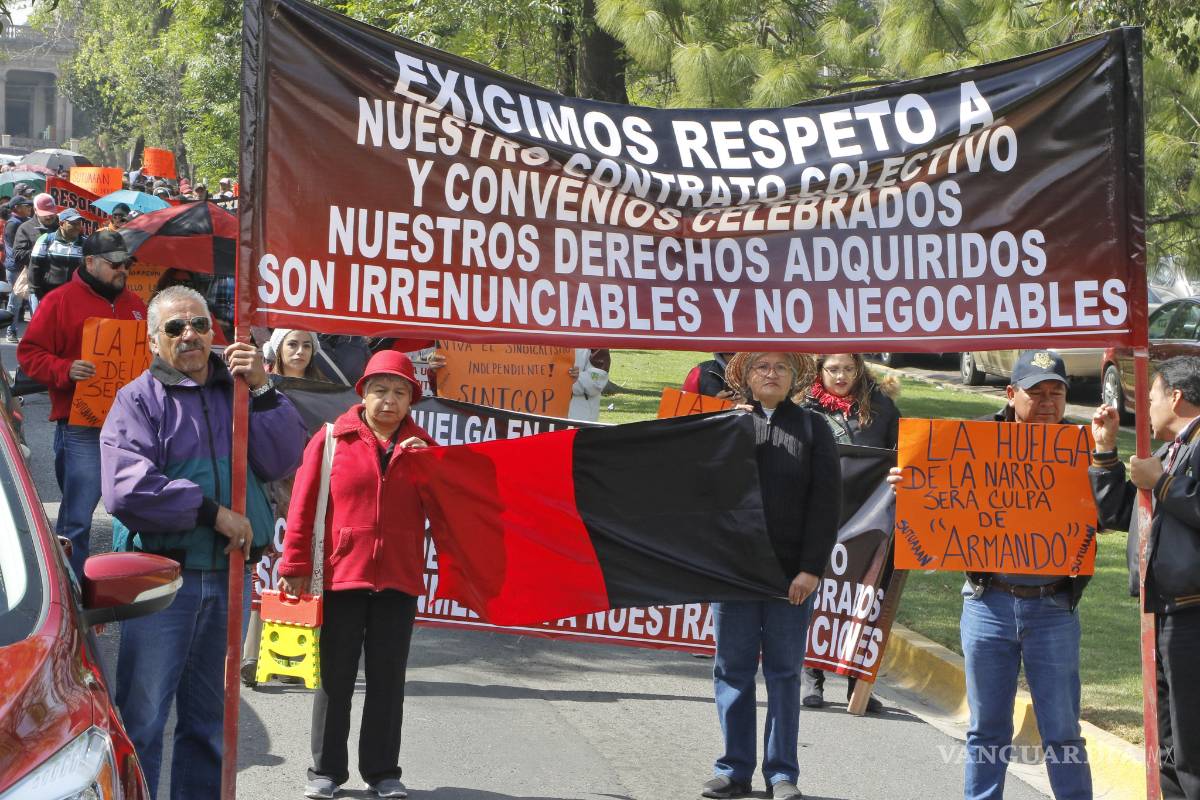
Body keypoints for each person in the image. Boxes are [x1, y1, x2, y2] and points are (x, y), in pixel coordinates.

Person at [99, 285, 306, 799]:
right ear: (153, 341)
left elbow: (282, 459)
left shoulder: (237, 390)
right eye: (174, 328)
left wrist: (262, 389)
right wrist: (211, 513)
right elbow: (125, 489)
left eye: (199, 325)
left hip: (229, 577)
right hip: (163, 583)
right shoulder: (137, 400)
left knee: (210, 721)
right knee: (143, 719)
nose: (189, 335)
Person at [888, 349, 1093, 800]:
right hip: (988, 604)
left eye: (1056, 393)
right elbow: (932, 490)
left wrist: (1110, 462)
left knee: (1062, 732)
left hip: (1054, 608)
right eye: (1035, 392)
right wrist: (910, 482)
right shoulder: (974, 439)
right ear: (1010, 393)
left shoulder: (1081, 449)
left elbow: (1110, 511)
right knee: (987, 729)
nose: (1047, 402)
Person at [277, 350, 433, 800]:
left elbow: (451, 511)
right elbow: (303, 508)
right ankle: (325, 772)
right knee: (336, 679)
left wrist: (433, 467)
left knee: (388, 680)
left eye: (400, 392)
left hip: (399, 582)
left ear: (411, 401)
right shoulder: (330, 440)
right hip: (343, 577)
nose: (389, 401)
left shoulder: (424, 451)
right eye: (380, 390)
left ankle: (383, 772)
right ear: (362, 393)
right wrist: (295, 566)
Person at [701, 352, 841, 800]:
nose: (771, 374)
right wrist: (724, 429)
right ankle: (733, 769)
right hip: (734, 572)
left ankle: (782, 774)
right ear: (745, 375)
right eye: (762, 366)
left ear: (795, 377)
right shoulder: (723, 424)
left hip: (790, 578)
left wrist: (810, 569)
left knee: (783, 673)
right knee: (733, 670)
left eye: (781, 367)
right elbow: (697, 487)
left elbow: (826, 503)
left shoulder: (813, 428)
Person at [1091, 356, 1200, 799]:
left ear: (1175, 397)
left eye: (1151, 397)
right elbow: (1121, 512)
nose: (1147, 406)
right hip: (1162, 614)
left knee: (1193, 748)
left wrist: (1166, 484)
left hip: (1193, 617)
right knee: (1167, 749)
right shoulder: (1168, 452)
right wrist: (1104, 452)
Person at [16, 230, 148, 580]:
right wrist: (65, 369)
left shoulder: (136, 305)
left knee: (136, 510)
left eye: (127, 264)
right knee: (77, 518)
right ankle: (73, 591)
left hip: (131, 429)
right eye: (115, 264)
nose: (123, 270)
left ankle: (128, 586)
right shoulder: (59, 301)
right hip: (82, 427)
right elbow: (28, 354)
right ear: (90, 262)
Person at [799, 353, 900, 712]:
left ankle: (857, 683)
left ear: (859, 369)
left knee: (863, 598)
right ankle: (812, 680)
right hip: (818, 517)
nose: (841, 376)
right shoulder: (803, 408)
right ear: (819, 370)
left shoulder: (883, 408)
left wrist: (900, 477)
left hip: (869, 520)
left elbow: (903, 455)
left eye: (848, 369)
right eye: (833, 369)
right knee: (819, 596)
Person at [28, 207, 87, 299]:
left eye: (79, 223)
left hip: (76, 295)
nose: (77, 227)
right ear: (61, 223)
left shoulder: (86, 243)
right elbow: (35, 266)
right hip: (49, 293)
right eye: (73, 224)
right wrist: (35, 290)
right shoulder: (46, 239)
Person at [3, 195, 33, 342]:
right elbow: (13, 249)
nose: (29, 208)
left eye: (29, 205)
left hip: (26, 266)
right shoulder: (12, 224)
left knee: (29, 300)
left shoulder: (26, 221)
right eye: (25, 205)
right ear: (16, 208)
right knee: (15, 301)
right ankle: (11, 331)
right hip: (16, 268)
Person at [567, 348, 610, 421]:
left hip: (579, 415)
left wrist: (577, 379)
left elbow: (597, 380)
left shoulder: (596, 340)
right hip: (548, 412)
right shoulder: (546, 338)